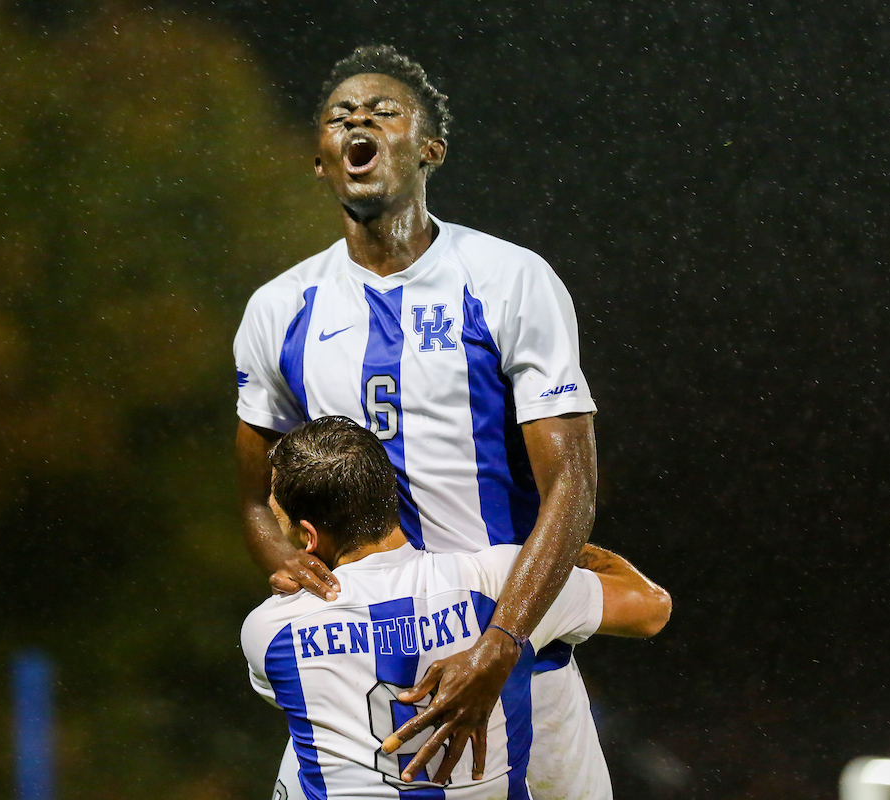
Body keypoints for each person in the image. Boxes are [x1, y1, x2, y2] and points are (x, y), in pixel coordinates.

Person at [234, 45, 606, 796]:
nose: (358, 122)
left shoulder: (508, 279)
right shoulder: (280, 308)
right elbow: (253, 494)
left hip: (515, 659)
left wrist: (501, 641)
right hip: (356, 675)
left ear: (429, 148)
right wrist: (279, 551)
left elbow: (572, 481)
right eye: (341, 117)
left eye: (383, 111)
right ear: (321, 158)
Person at [242, 417, 671, 800]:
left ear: (308, 536)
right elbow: (650, 608)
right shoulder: (501, 582)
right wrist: (544, 551)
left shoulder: (271, 631)